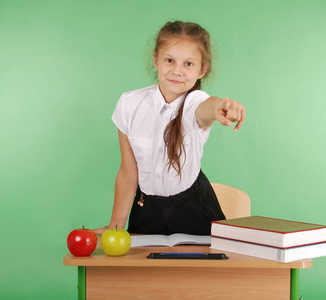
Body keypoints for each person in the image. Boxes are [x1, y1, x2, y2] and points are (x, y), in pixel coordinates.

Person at [94, 20, 245, 236]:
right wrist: (115, 227)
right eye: (170, 60)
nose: (177, 71)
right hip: (147, 207)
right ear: (156, 60)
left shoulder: (195, 101)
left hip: (194, 206)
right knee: (140, 268)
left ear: (202, 70)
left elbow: (205, 107)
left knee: (208, 269)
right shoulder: (129, 104)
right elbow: (128, 174)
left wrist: (221, 106)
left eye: (188, 64)